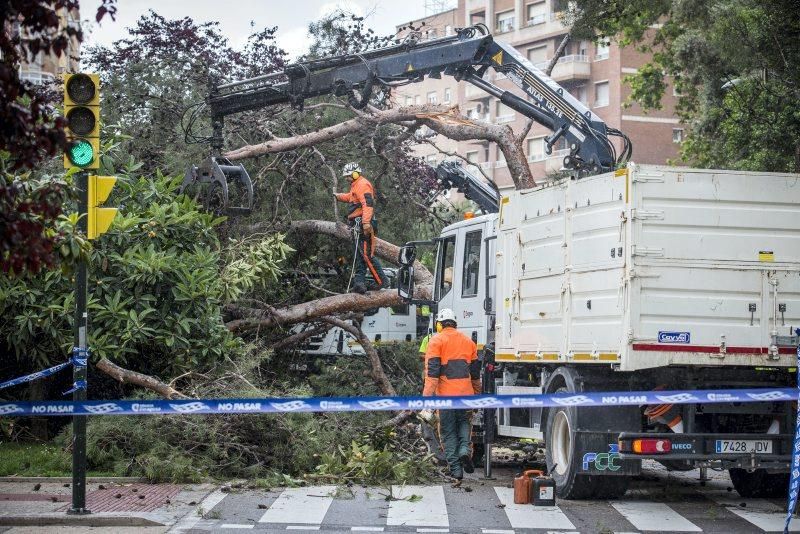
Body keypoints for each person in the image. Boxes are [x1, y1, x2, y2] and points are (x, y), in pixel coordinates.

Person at [422, 308, 481, 482]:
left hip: (445, 398)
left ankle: (456, 469)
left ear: (439, 324)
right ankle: (464, 450)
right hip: (466, 396)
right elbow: (475, 374)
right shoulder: (468, 342)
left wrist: (426, 401)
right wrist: (477, 395)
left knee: (447, 432)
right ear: (455, 323)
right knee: (464, 424)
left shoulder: (436, 341)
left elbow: (432, 375)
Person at [334, 162, 385, 294]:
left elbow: (367, 204)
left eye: (348, 176)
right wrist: (338, 196)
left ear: (355, 173)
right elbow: (352, 198)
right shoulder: (356, 185)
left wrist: (366, 223)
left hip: (362, 224)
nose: (346, 178)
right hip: (358, 224)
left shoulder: (363, 184)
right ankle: (359, 284)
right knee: (360, 256)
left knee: (366, 255)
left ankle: (382, 281)